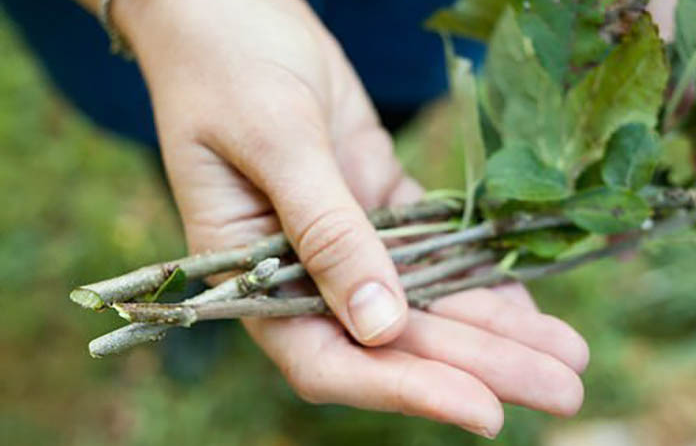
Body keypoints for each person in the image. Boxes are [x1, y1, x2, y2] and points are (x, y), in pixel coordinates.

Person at [0, 0, 675, 438]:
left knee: (351, 133)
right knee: (197, 150)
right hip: (165, 30)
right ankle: (196, 290)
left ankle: (212, 288)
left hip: (394, 29)